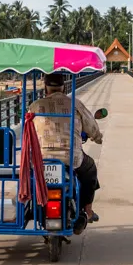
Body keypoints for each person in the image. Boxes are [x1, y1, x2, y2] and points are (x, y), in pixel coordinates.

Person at [28, 72, 104, 229]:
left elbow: (28, 131)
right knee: (90, 169)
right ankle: (88, 210)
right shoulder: (75, 104)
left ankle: (30, 203)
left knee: (29, 178)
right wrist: (98, 138)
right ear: (64, 87)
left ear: (45, 87)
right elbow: (92, 126)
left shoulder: (35, 106)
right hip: (71, 159)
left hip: (41, 159)